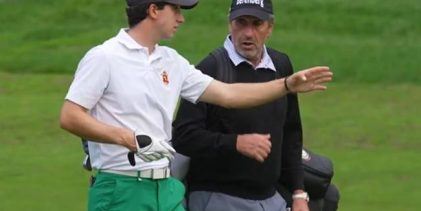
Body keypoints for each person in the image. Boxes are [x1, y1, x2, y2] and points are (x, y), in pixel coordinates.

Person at [59, 0, 332, 210]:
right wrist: (129, 139)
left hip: (166, 187)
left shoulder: (171, 60)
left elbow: (229, 94)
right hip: (121, 186)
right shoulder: (105, 57)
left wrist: (285, 86)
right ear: (154, 10)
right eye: (176, 9)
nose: (181, 17)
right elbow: (70, 116)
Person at [172, 0, 314, 211]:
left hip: (270, 199)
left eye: (256, 24)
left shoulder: (281, 66)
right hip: (217, 198)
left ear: (270, 27)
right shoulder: (211, 68)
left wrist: (299, 193)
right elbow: (184, 137)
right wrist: (235, 143)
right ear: (230, 23)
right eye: (241, 23)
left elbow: (291, 133)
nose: (248, 33)